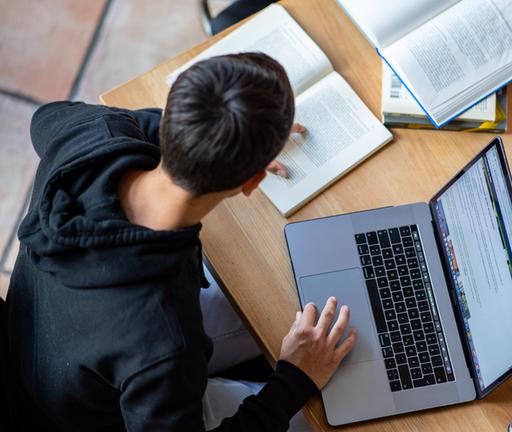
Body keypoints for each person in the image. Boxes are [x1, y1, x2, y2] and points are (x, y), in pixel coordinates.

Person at [4, 52, 357, 431]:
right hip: (102, 414)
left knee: (289, 304)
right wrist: (294, 380)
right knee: (329, 412)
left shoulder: (88, 138)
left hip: (46, 350)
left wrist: (207, 141)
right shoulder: (166, 341)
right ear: (253, 181)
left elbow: (47, 117)